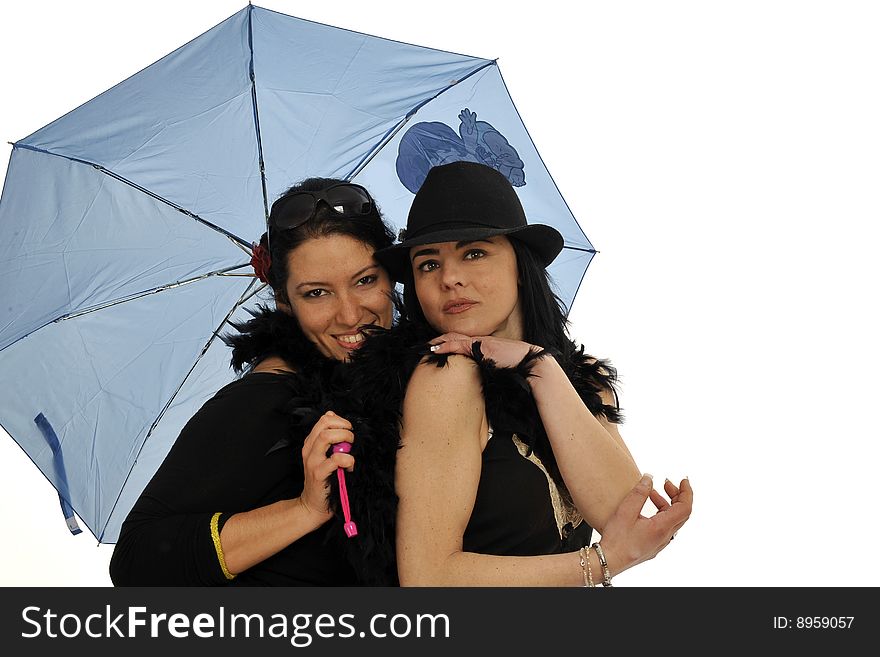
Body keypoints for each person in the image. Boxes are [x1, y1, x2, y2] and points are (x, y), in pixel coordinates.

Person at [346, 160, 693, 586]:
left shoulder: (577, 379)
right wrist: (600, 564)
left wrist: (540, 368)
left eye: (474, 252)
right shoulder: (446, 377)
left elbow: (633, 521)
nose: (451, 278)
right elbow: (428, 579)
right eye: (428, 264)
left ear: (520, 264)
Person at [109, 177, 397, 585]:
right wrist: (305, 510)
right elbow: (136, 562)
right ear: (284, 302)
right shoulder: (264, 399)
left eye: (365, 280)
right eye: (317, 293)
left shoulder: (393, 387)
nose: (349, 315)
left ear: (394, 275)